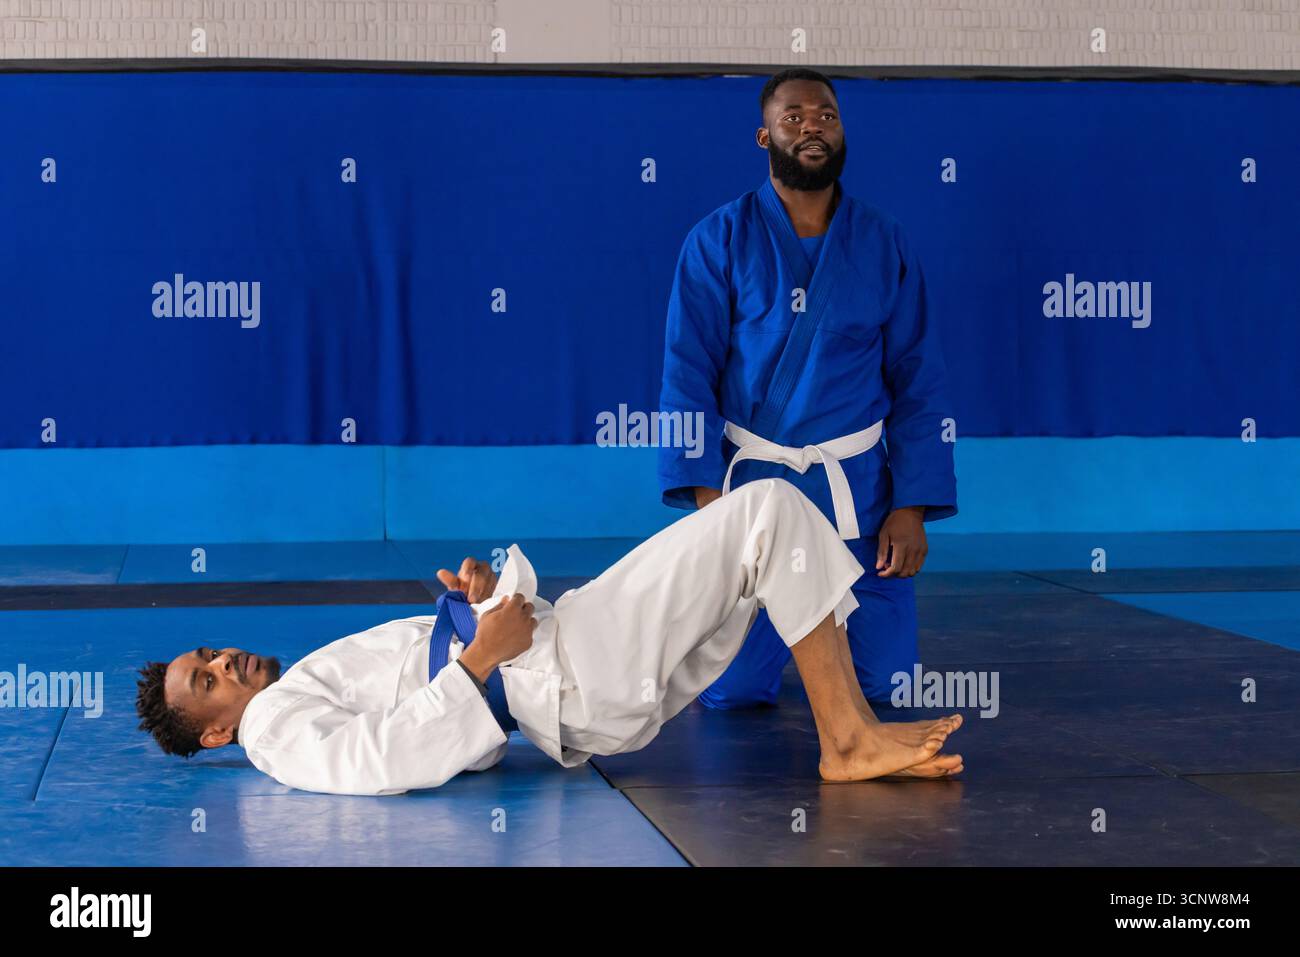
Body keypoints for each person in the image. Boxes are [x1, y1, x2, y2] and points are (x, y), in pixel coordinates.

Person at [136, 479, 963, 796]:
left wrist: (475, 607)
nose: (219, 662)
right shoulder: (274, 730)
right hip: (562, 676)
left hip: (562, 664)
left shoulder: (290, 691)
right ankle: (847, 740)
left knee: (761, 547)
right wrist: (482, 657)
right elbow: (373, 761)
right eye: (205, 681)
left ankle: (848, 733)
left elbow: (407, 696)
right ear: (215, 732)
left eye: (206, 654)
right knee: (769, 513)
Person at [658, 68, 958, 711]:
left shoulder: (882, 241)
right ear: (764, 136)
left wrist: (913, 505)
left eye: (826, 115)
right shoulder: (718, 239)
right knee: (731, 692)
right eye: (793, 117)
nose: (812, 126)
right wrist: (710, 503)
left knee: (891, 689)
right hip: (754, 497)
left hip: (857, 497)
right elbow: (687, 374)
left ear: (842, 131)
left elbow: (917, 378)